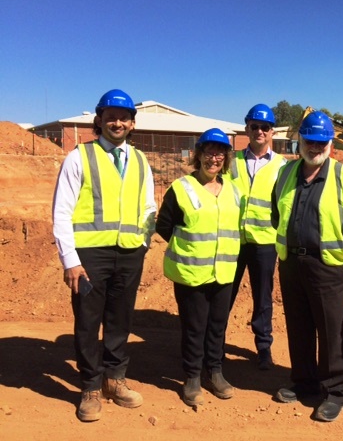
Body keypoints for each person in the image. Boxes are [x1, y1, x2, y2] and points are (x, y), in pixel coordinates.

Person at [52, 89, 156, 422]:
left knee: (120, 320)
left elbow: (149, 207)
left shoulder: (140, 160)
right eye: (111, 116)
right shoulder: (79, 158)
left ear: (132, 123)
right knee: (87, 321)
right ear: (99, 120)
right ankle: (90, 386)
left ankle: (115, 379)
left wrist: (143, 243)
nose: (117, 121)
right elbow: (61, 212)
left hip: (128, 254)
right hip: (90, 256)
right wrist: (71, 260)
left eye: (124, 117)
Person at [271, 110, 343, 422]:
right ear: (300, 140)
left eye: (321, 142)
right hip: (292, 264)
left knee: (331, 332)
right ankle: (304, 383)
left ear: (330, 143)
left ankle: (335, 391)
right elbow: (277, 214)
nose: (315, 147)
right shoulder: (287, 174)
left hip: (329, 268)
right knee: (299, 326)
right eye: (310, 141)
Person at [156, 128, 241, 407]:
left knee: (217, 326)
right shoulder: (182, 188)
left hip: (224, 272)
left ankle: (215, 372)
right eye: (208, 151)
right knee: (195, 327)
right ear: (199, 155)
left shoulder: (233, 190)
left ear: (226, 158)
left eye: (219, 152)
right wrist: (190, 249)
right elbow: (164, 226)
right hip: (191, 273)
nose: (213, 157)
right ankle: (192, 377)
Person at [228, 104, 286, 370]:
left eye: (265, 127)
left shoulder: (281, 166)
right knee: (223, 293)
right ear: (246, 128)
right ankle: (213, 343)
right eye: (255, 126)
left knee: (263, 297)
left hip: (264, 241)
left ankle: (264, 347)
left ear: (272, 131)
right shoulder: (232, 161)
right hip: (233, 240)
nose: (259, 131)